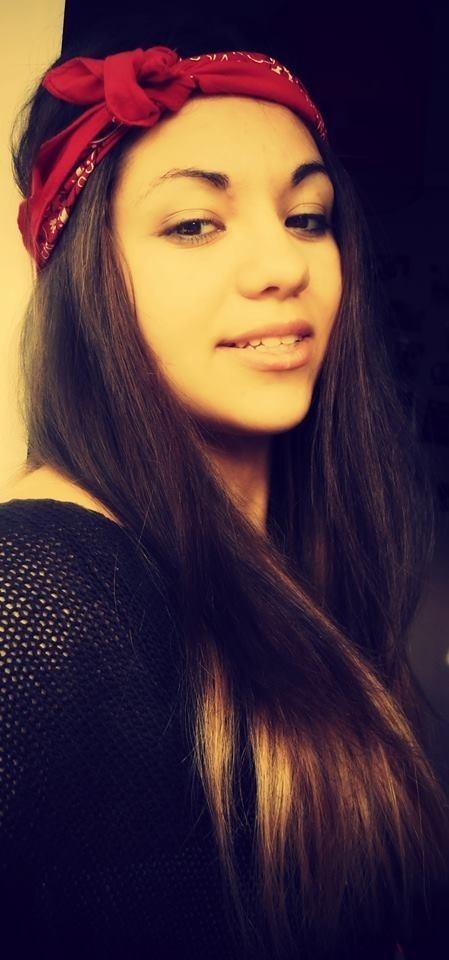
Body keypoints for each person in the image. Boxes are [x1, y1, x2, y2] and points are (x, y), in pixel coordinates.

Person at [1, 20, 448, 960]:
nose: (284, 267)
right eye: (193, 224)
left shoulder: (311, 556)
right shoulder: (41, 591)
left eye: (306, 217)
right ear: (91, 283)